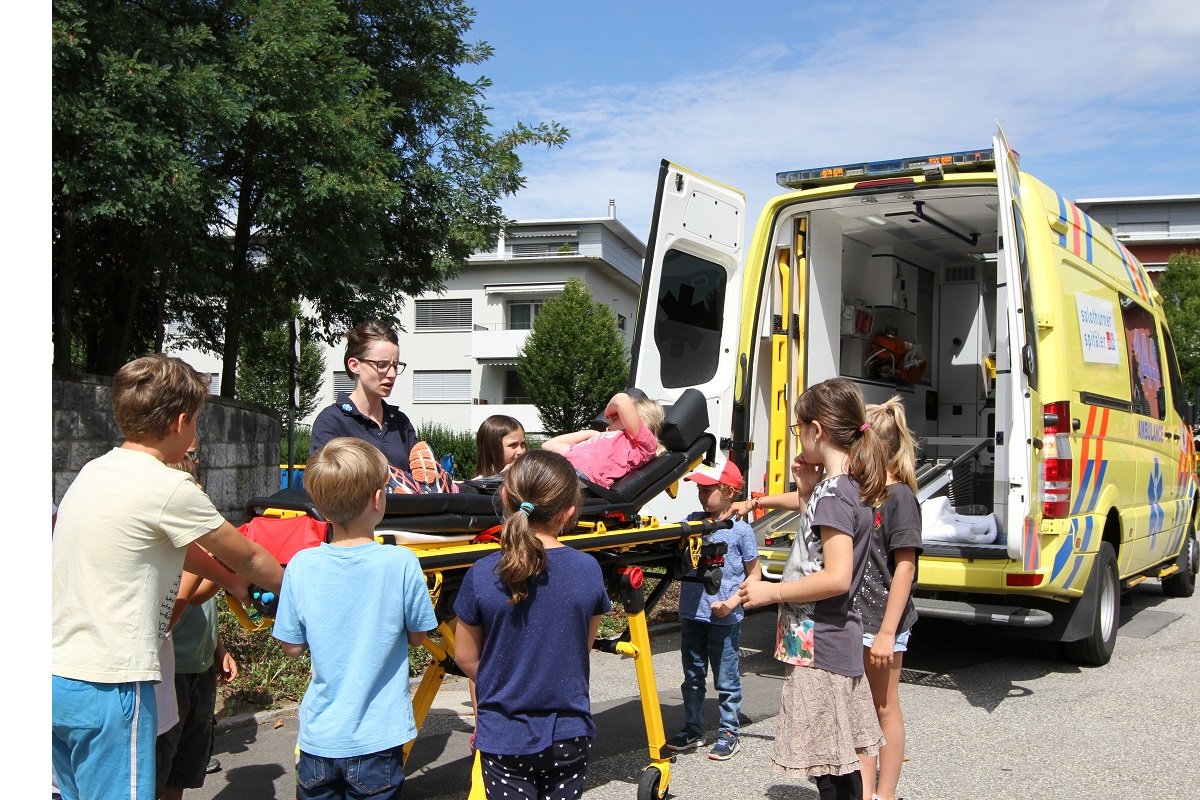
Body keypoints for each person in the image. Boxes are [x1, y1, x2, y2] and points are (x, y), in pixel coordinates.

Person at [51, 354, 284, 800]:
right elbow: (251, 555)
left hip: (57, 678)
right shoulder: (169, 486)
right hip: (112, 685)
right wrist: (294, 593)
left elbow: (170, 545)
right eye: (197, 421)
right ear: (181, 422)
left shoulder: (93, 471)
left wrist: (231, 583)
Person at [732, 377, 888, 800]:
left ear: (817, 431)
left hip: (821, 645)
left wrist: (772, 593)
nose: (797, 437)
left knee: (831, 770)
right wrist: (784, 496)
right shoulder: (843, 488)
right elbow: (814, 524)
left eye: (799, 429)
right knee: (836, 764)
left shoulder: (835, 495)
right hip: (829, 641)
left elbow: (836, 576)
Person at [273, 437, 437, 800]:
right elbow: (418, 636)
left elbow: (291, 647)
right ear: (379, 499)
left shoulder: (301, 565)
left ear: (318, 505)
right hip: (378, 738)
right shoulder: (401, 563)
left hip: (318, 739)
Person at [453, 450, 612, 799]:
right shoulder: (588, 571)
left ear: (506, 497)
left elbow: (464, 656)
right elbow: (579, 647)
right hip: (568, 732)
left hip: (503, 735)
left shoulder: (482, 573)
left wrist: (503, 679)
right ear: (570, 512)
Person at [156, 443, 241, 800]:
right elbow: (189, 595)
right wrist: (230, 567)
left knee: (187, 761)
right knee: (163, 759)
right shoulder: (173, 541)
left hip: (201, 661)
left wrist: (219, 648)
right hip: (174, 667)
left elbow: (205, 601)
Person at [666, 458, 761, 761]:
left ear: (730, 492)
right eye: (700, 490)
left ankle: (729, 731)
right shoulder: (694, 520)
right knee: (692, 676)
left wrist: (732, 602)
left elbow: (754, 574)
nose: (702, 496)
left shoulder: (741, 531)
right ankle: (694, 728)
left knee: (726, 679)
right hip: (693, 613)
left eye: (709, 490)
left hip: (724, 616)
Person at [855, 399, 922, 800]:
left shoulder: (900, 498)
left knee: (883, 708)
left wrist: (885, 632)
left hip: (884, 624)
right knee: (862, 712)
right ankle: (864, 793)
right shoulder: (868, 494)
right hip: (857, 620)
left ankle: (886, 794)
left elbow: (906, 569)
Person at [309, 320, 418, 470]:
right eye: (382, 365)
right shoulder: (331, 422)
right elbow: (325, 486)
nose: (392, 374)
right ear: (354, 365)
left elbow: (421, 483)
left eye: (395, 365)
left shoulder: (401, 423)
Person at [541, 391, 663, 488]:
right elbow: (548, 445)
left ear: (638, 420)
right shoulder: (598, 439)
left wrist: (608, 412)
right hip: (560, 468)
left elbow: (620, 399)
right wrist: (590, 434)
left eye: (615, 419)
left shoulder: (642, 445)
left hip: (580, 477)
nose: (607, 426)